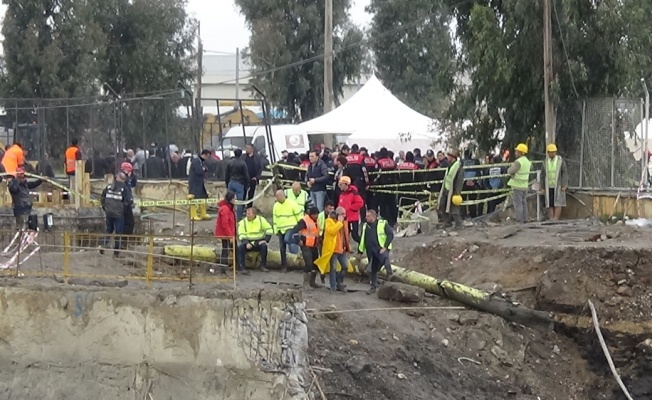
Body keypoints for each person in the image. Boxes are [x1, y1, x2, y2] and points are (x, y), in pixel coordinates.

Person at [316, 206, 350, 294]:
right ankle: (333, 287)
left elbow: (345, 235)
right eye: (342, 214)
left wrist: (347, 246)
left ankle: (339, 282)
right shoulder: (329, 221)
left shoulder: (344, 222)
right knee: (333, 268)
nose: (344, 216)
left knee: (345, 266)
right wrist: (339, 222)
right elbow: (332, 231)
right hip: (333, 249)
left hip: (341, 249)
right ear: (337, 214)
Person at [359, 210, 394, 294]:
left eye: (368, 216)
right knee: (372, 269)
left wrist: (385, 246)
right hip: (371, 251)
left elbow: (390, 234)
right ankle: (373, 287)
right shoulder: (365, 226)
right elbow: (363, 239)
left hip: (380, 248)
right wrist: (360, 251)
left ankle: (390, 274)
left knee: (385, 259)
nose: (366, 218)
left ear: (373, 217)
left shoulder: (382, 224)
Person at [100, 172, 133, 257]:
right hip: (119, 214)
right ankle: (116, 252)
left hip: (109, 212)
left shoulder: (109, 187)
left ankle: (103, 245)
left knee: (109, 230)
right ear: (123, 179)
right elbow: (128, 201)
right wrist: (123, 210)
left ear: (117, 178)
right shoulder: (124, 188)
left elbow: (102, 198)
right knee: (118, 233)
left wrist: (105, 208)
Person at [290, 207, 322, 289]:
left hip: (314, 245)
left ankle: (312, 282)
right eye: (315, 215)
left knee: (315, 264)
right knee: (308, 263)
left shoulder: (316, 221)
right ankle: (306, 283)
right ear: (311, 214)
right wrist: (298, 240)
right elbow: (294, 230)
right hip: (305, 245)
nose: (317, 216)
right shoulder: (304, 221)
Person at [272, 190, 303, 272]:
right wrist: (275, 230)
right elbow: (275, 218)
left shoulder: (292, 203)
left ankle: (295, 258)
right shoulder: (276, 205)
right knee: (282, 248)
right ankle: (284, 265)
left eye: (277, 196)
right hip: (280, 229)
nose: (276, 198)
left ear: (282, 195)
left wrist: (299, 227)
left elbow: (299, 215)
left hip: (291, 227)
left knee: (287, 239)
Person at [237, 207, 273, 274]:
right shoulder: (243, 222)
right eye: (247, 214)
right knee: (240, 247)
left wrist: (266, 240)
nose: (247, 215)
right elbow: (241, 234)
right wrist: (246, 243)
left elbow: (269, 229)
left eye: (249, 214)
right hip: (248, 242)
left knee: (264, 246)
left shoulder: (261, 220)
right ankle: (241, 267)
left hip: (258, 241)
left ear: (254, 214)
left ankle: (263, 266)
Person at [540, 144, 568, 221]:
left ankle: (556, 218)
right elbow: (542, 175)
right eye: (550, 152)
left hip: (558, 185)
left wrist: (564, 184)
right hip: (548, 186)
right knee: (550, 202)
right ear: (548, 152)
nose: (552, 154)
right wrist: (542, 187)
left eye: (553, 152)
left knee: (558, 202)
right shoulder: (545, 162)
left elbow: (564, 173)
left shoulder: (560, 161)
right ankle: (551, 218)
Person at [438, 150, 464, 228]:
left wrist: (457, 192)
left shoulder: (458, 167)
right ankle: (447, 222)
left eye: (449, 156)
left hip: (453, 189)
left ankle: (459, 224)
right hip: (446, 188)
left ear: (453, 157)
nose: (447, 157)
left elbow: (459, 180)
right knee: (443, 205)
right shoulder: (450, 166)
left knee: (454, 209)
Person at [507, 143, 532, 224]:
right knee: (524, 203)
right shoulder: (527, 162)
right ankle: (525, 219)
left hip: (517, 185)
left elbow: (510, 171)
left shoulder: (518, 162)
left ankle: (519, 220)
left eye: (517, 151)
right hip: (525, 185)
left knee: (518, 204)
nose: (515, 153)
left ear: (521, 153)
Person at [337, 176, 365, 244]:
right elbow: (340, 205)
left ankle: (363, 245)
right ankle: (346, 249)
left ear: (346, 184)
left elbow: (360, 203)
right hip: (344, 218)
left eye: (341, 184)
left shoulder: (354, 193)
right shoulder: (342, 194)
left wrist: (350, 208)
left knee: (354, 236)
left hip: (352, 219)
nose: (339, 186)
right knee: (345, 235)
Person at [215, 191, 237, 273]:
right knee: (226, 250)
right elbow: (225, 224)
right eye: (234, 198)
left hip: (229, 233)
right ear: (231, 199)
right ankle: (223, 269)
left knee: (230, 249)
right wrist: (230, 236)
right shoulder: (225, 209)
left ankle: (232, 266)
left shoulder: (229, 207)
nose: (235, 200)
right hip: (226, 234)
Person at [375, 147, 398, 226]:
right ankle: (393, 220)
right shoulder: (392, 162)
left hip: (382, 186)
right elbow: (396, 174)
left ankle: (385, 219)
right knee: (392, 203)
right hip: (392, 185)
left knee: (383, 204)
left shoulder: (379, 162)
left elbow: (377, 174)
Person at [225, 148, 249, 219]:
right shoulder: (243, 163)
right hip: (239, 183)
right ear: (241, 154)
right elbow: (246, 175)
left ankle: (229, 215)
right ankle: (239, 216)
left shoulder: (229, 162)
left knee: (229, 200)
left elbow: (227, 174)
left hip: (231, 182)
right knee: (239, 202)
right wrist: (247, 184)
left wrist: (227, 183)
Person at [189, 149, 212, 221]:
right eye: (207, 157)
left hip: (200, 182)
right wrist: (204, 170)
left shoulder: (202, 161)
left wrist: (204, 169)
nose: (207, 159)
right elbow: (199, 171)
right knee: (194, 198)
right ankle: (193, 215)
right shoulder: (196, 161)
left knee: (202, 197)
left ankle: (203, 213)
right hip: (194, 183)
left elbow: (205, 169)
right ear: (204, 155)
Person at [120, 162, 138, 244]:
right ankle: (123, 241)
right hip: (124, 205)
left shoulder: (127, 180)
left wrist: (133, 177)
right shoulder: (123, 180)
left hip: (125, 204)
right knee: (129, 223)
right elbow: (126, 192)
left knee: (127, 223)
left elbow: (133, 184)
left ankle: (123, 241)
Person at [243, 144, 263, 208]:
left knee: (251, 194)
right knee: (243, 193)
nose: (246, 150)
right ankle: (242, 207)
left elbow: (260, 168)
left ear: (252, 149)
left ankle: (249, 207)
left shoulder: (257, 157)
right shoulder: (243, 157)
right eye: (246, 148)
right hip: (244, 178)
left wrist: (257, 177)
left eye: (247, 148)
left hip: (253, 178)